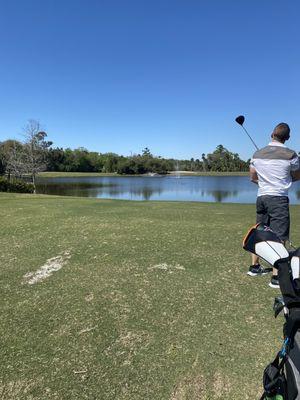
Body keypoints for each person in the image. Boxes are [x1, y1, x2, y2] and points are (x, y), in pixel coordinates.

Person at [248, 122, 300, 288]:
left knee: (260, 231)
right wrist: (284, 180)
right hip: (278, 199)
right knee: (279, 236)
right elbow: (297, 175)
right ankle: (277, 277)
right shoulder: (291, 154)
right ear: (288, 138)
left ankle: (254, 267)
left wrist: (265, 183)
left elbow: (253, 177)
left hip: (261, 197)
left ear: (272, 134)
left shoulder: (257, 154)